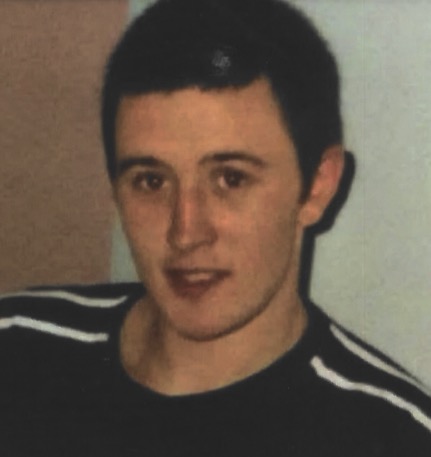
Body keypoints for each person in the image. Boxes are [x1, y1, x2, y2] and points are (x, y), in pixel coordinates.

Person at [1, 0, 430, 455]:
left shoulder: (395, 439)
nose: (185, 232)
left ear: (317, 186)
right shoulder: (16, 352)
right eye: (151, 181)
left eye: (230, 179)